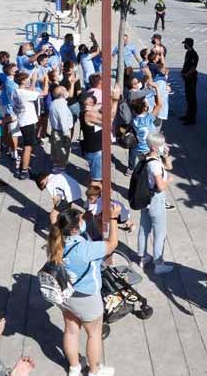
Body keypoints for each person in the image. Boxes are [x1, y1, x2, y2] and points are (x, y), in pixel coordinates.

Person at [48, 208, 119, 376]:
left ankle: (74, 368)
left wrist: (88, 215)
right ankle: (95, 371)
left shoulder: (56, 243)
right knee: (93, 334)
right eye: (80, 221)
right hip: (87, 297)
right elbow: (112, 244)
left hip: (65, 295)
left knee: (71, 331)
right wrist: (114, 218)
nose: (83, 223)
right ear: (74, 229)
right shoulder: (85, 249)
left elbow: (71, 225)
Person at [137, 132, 174, 274]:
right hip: (156, 200)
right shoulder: (155, 166)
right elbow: (160, 186)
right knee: (160, 232)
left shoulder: (147, 157)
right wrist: (168, 181)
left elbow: (169, 166)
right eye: (161, 144)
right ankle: (158, 263)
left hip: (145, 198)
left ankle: (143, 257)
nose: (163, 146)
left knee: (144, 228)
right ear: (154, 146)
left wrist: (166, 155)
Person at [128, 80, 163, 171]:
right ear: (145, 107)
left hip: (139, 147)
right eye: (145, 102)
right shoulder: (148, 118)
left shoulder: (134, 120)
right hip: (149, 148)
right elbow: (159, 105)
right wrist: (156, 88)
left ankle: (131, 170)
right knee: (151, 168)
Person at [179, 37, 199, 125]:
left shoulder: (194, 55)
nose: (184, 46)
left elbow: (193, 68)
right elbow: (186, 64)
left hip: (191, 78)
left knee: (192, 99)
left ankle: (192, 118)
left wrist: (186, 75)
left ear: (188, 44)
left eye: (185, 44)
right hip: (187, 78)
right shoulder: (188, 52)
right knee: (188, 97)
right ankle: (187, 115)